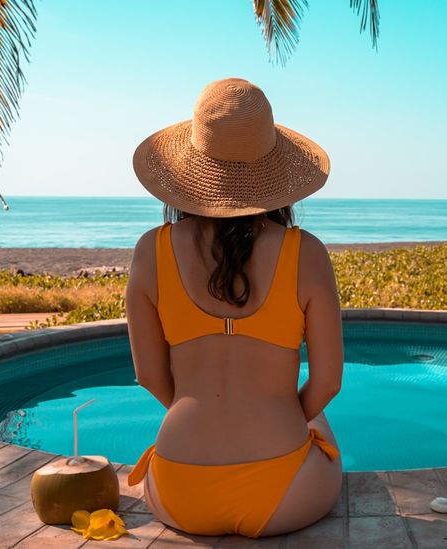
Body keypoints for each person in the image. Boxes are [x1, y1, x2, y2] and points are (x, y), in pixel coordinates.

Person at [125, 77, 344, 539]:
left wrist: (207, 416)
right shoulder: (306, 253)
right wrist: (281, 416)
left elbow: (149, 376)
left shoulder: (151, 251)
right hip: (285, 489)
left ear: (191, 169)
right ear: (274, 172)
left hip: (179, 488)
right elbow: (326, 382)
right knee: (320, 423)